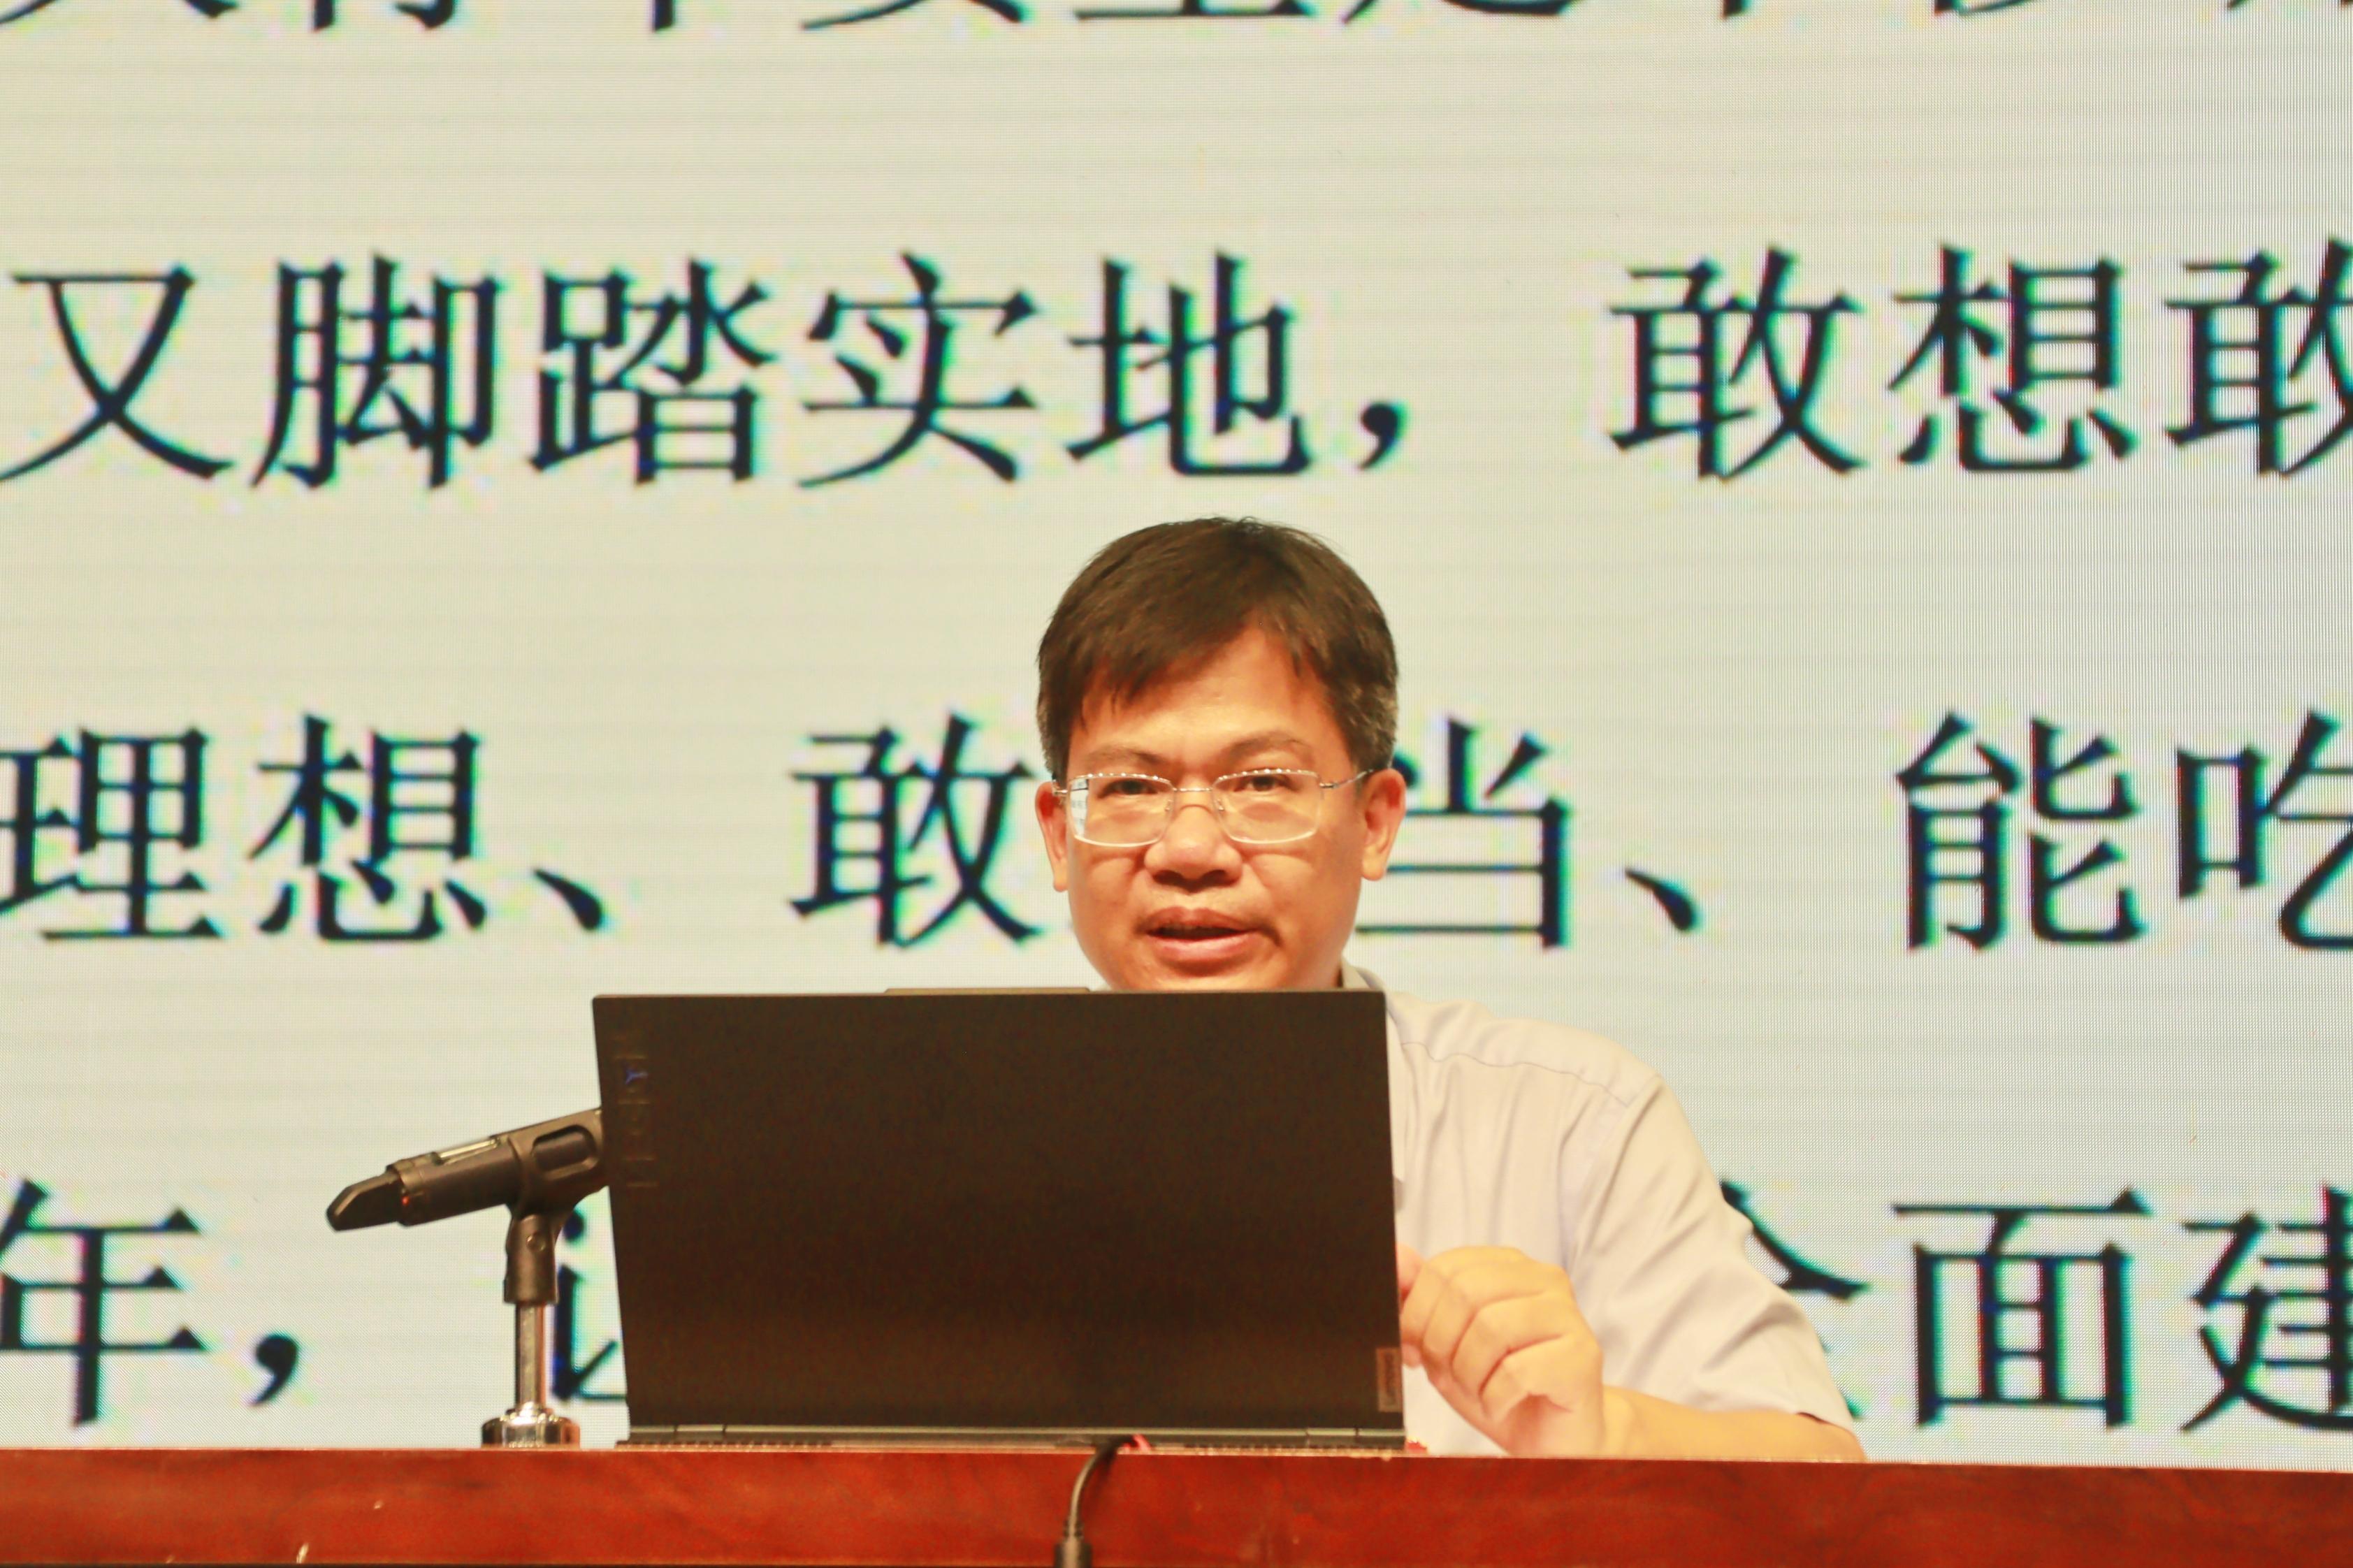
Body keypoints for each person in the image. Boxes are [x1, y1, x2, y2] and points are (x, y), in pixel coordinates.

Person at [1029, 516, 1862, 1461]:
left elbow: (1824, 1479)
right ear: (1059, 835)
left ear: (1376, 822)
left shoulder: (1568, 1122)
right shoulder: (942, 1146)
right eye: (1131, 789)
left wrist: (1601, 1432)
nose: (1190, 849)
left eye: (1261, 782)